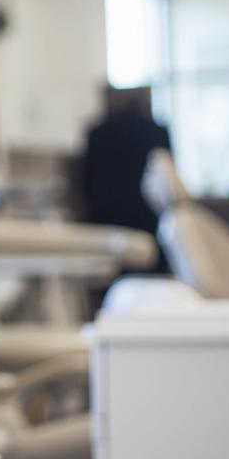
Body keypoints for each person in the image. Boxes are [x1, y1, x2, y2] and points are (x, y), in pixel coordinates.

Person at [81, 85, 173, 311]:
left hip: (106, 224)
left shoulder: (96, 134)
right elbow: (167, 179)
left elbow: (86, 183)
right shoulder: (158, 131)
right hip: (147, 223)